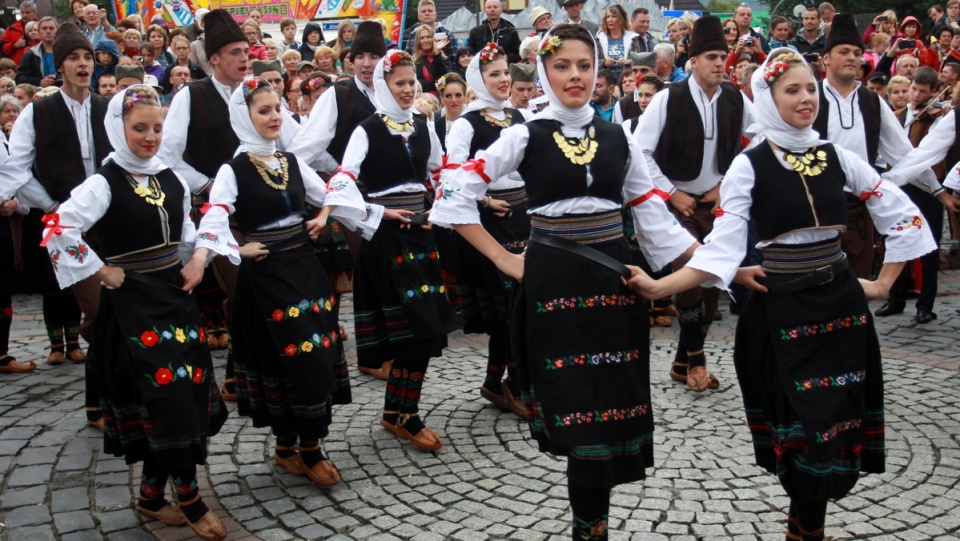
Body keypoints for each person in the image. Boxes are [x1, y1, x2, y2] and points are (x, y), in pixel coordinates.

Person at [632, 48, 936, 541]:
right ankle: (806, 530)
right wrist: (659, 286)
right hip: (784, 309)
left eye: (810, 88)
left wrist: (881, 283)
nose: (805, 98)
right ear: (768, 99)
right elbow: (721, 249)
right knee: (803, 424)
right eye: (791, 90)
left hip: (839, 307)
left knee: (836, 420)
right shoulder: (749, 166)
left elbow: (900, 213)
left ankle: (805, 531)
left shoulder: (838, 156)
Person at [432, 24, 697, 541]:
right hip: (554, 291)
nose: (574, 76)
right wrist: (504, 259)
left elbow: (654, 218)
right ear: (545, 71)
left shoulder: (619, 136)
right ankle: (588, 530)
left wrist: (718, 265)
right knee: (577, 413)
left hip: (614, 289)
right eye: (561, 66)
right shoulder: (523, 134)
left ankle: (591, 527)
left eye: (583, 65)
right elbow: (454, 195)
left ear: (598, 70)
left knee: (610, 409)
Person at [42, 84, 228, 540]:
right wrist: (103, 272)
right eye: (139, 127)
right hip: (133, 307)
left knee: (184, 395)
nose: (149, 136)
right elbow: (57, 227)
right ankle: (188, 497)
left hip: (174, 298)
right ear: (117, 129)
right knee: (166, 401)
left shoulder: (170, 177)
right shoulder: (103, 183)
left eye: (157, 127)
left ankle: (149, 495)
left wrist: (198, 259)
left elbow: (185, 226)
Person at [185, 75, 367, 488]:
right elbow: (215, 214)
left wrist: (324, 215)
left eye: (278, 109)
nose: (274, 117)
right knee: (287, 360)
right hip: (266, 276)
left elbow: (331, 191)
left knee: (317, 352)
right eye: (263, 110)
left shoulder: (290, 162)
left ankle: (305, 447)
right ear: (244, 117)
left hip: (302, 267)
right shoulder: (234, 168)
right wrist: (235, 249)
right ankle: (295, 447)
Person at [326, 49, 456, 451]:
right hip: (388, 241)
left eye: (410, 82)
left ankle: (399, 411)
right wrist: (379, 212)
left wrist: (442, 206)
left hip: (421, 235)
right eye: (398, 82)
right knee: (410, 332)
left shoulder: (423, 123)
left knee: (426, 330)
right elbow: (342, 182)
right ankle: (404, 415)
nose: (406, 89)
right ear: (383, 84)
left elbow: (441, 169)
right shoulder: (366, 129)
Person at [0, 23, 111, 426]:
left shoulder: (106, 107)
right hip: (65, 229)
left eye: (86, 57)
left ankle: (108, 398)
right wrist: (52, 206)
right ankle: (100, 401)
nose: (82, 64)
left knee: (116, 307)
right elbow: (16, 170)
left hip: (108, 223)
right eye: (73, 58)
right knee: (97, 309)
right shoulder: (38, 110)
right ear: (59, 66)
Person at [636, 16, 754, 392]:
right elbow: (639, 152)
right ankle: (698, 362)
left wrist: (726, 182)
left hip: (716, 202)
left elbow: (762, 135)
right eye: (712, 57)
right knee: (690, 272)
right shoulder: (669, 97)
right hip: (676, 203)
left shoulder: (734, 96)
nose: (721, 63)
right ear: (695, 61)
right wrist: (671, 192)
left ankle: (681, 360)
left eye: (723, 56)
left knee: (713, 280)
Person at [813, 14, 949, 279]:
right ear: (826, 58)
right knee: (820, 285)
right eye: (844, 52)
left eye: (856, 52)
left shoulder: (872, 102)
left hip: (859, 208)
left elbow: (903, 154)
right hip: (817, 207)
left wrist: (937, 190)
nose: (852, 57)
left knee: (859, 283)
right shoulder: (810, 96)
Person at [159, 9, 250, 398]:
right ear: (214, 58)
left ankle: (241, 372)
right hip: (211, 208)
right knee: (240, 287)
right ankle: (231, 376)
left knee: (253, 289)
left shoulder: (253, 92)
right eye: (234, 52)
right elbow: (168, 156)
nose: (244, 58)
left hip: (254, 205)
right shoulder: (190, 95)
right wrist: (209, 182)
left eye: (246, 49)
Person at [441, 45, 528, 418]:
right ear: (478, 79)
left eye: (505, 72)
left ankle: (497, 382)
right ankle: (514, 384)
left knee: (521, 303)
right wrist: (485, 200)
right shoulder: (465, 123)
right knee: (507, 305)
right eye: (494, 73)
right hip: (487, 223)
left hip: (523, 216)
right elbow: (454, 175)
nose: (503, 79)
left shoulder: (519, 115)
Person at [404, 0, 457, 71]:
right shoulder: (413, 35)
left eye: (430, 11)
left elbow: (454, 61)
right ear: (419, 16)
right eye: (423, 11)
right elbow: (408, 61)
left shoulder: (447, 35)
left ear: (435, 14)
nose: (427, 13)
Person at [597, 5, 637, 83]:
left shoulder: (633, 39)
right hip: (605, 82)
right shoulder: (599, 38)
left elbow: (639, 61)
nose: (610, 20)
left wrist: (628, 61)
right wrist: (603, 62)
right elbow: (593, 62)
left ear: (621, 19)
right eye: (608, 17)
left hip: (626, 82)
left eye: (614, 17)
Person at [16, 16, 57, 88]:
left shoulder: (67, 52)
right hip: (41, 94)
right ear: (39, 32)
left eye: (51, 28)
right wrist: (40, 82)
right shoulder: (31, 54)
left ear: (57, 31)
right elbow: (20, 78)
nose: (48, 31)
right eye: (44, 28)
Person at [412, 25, 448, 97]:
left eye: (428, 37)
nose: (425, 40)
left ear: (433, 39)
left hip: (440, 97)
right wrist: (434, 84)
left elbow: (443, 82)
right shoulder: (414, 61)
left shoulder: (443, 59)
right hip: (420, 99)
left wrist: (437, 54)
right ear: (418, 41)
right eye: (422, 38)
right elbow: (416, 82)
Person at [0, 1, 39, 66]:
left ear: (35, 13)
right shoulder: (12, 29)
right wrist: (14, 45)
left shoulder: (42, 27)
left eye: (27, 12)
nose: (24, 15)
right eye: (22, 12)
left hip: (39, 65)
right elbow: (1, 48)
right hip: (17, 67)